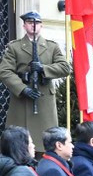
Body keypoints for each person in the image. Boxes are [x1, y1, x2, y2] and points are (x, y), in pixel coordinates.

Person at [0, 11, 71, 150]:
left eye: (37, 23)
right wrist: (22, 88)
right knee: (19, 146)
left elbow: (65, 67)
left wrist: (43, 69)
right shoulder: (14, 47)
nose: (34, 26)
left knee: (46, 144)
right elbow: (4, 71)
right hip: (22, 99)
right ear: (24, 25)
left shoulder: (51, 47)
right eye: (30, 23)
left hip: (43, 99)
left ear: (41, 25)